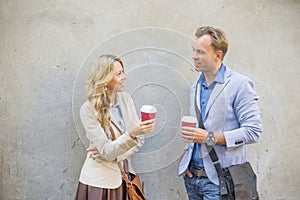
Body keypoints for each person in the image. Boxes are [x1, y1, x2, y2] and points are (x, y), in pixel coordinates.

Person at [179, 26, 262, 199]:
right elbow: (197, 131)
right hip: (193, 179)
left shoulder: (240, 84)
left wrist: (209, 137)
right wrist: (186, 159)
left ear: (218, 55)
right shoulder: (195, 87)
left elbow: (253, 132)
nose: (194, 56)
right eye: (194, 51)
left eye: (201, 52)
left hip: (220, 181)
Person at [75, 54, 155, 200]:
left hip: (126, 178)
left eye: (123, 71)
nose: (124, 77)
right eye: (118, 74)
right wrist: (130, 135)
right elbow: (108, 150)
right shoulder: (88, 109)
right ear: (104, 79)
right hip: (100, 184)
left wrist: (113, 155)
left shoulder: (126, 99)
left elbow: (139, 142)